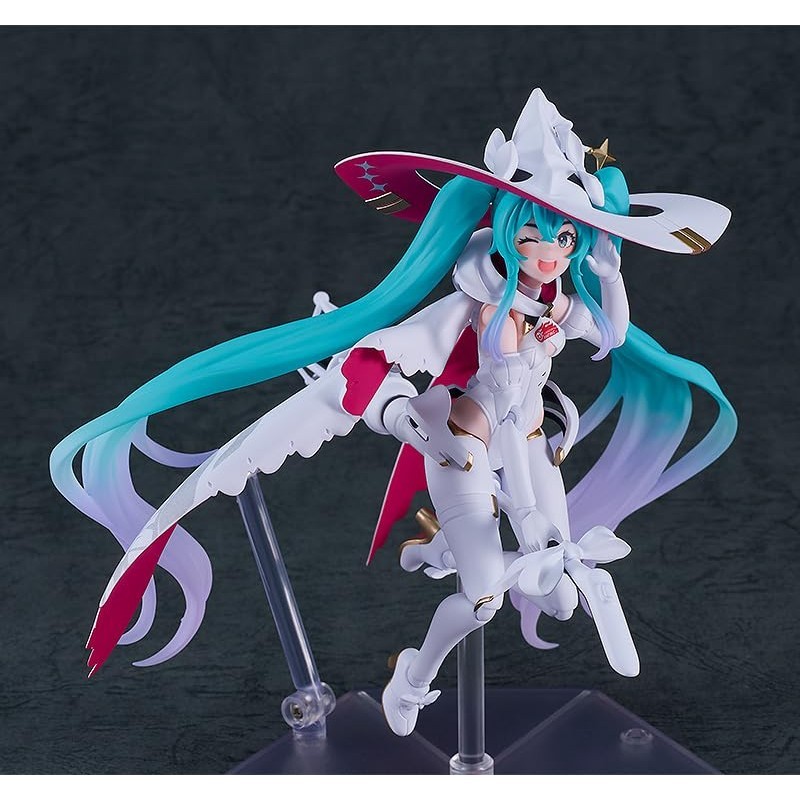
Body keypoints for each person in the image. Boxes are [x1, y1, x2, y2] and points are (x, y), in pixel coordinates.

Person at [49, 88, 737, 735]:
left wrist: (611, 270)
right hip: (464, 451)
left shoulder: (559, 301)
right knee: (485, 600)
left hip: (529, 444)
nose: (552, 254)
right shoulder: (475, 307)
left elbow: (613, 333)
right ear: (507, 234)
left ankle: (445, 548)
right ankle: (414, 676)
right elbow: (394, 367)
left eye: (566, 239)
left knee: (557, 596)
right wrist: (408, 420)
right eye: (536, 236)